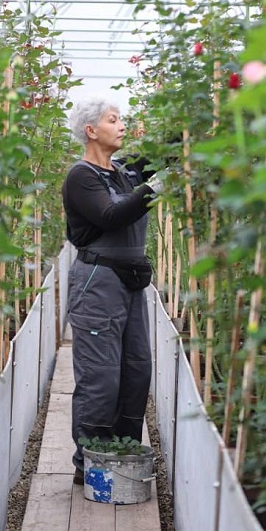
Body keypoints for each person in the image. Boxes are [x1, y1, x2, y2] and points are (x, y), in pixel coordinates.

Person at [61, 95, 166, 485]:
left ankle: (122, 452)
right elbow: (110, 214)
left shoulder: (124, 172)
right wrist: (155, 189)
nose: (121, 125)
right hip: (98, 282)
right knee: (102, 377)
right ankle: (89, 464)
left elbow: (166, 151)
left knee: (137, 370)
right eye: (112, 119)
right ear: (92, 131)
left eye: (121, 119)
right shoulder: (82, 176)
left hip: (132, 281)